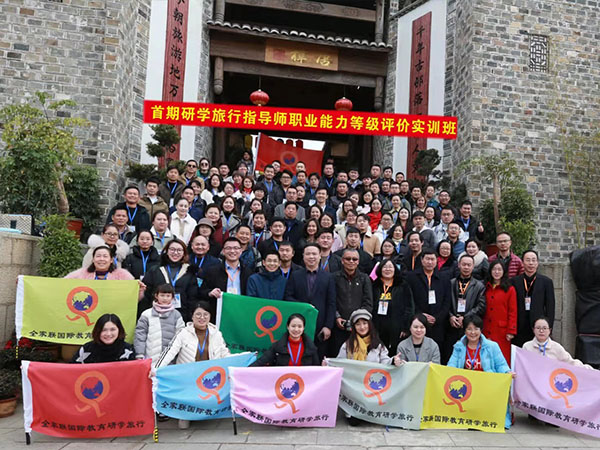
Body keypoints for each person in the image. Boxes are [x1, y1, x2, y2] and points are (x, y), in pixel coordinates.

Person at [155, 301, 231, 429]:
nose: (202, 318)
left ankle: (204, 412)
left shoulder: (216, 334)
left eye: (205, 314)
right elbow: (169, 351)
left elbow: (225, 354)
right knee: (183, 425)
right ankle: (185, 415)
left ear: (210, 316)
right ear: (192, 316)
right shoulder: (183, 333)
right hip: (188, 378)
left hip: (208, 377)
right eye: (198, 314)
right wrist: (156, 369)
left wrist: (242, 358)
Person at [447, 314, 513, 429]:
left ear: (481, 330)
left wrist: (507, 372)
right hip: (466, 387)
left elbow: (501, 365)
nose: (473, 332)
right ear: (464, 331)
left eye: (476, 329)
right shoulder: (458, 347)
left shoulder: (492, 346)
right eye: (469, 329)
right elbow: (451, 365)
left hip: (486, 386)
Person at [284, 244, 336, 358]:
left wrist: (328, 326)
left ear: (320, 256)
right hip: (299, 326)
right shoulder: (295, 275)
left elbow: (331, 303)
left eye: (314, 254)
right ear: (303, 256)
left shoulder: (328, 277)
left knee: (318, 357)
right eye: (308, 254)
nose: (311, 257)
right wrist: (304, 306)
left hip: (320, 326)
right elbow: (288, 297)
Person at [139, 239, 198, 321]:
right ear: (167, 251)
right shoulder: (155, 270)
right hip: (156, 314)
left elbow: (192, 298)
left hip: (181, 316)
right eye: (172, 249)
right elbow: (147, 294)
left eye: (179, 250)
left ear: (184, 253)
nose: (175, 253)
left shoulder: (189, 272)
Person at [405, 249, 452, 350]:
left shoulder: (444, 278)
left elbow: (447, 301)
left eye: (432, 259)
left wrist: (437, 318)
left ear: (436, 261)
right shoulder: (411, 277)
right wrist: (419, 315)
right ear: (422, 260)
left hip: (438, 323)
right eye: (427, 259)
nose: (430, 262)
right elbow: (408, 299)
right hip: (417, 322)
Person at [445, 254, 487, 363]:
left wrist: (466, 318)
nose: (466, 267)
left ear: (473, 266)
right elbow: (444, 302)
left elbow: (481, 306)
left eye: (469, 265)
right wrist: (450, 316)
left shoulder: (479, 286)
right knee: (450, 355)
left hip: (469, 325)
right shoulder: (451, 283)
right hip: (451, 325)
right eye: (464, 264)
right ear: (459, 265)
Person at [331, 249, 373, 355]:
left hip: (359, 327)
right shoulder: (334, 277)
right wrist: (337, 317)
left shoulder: (364, 278)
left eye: (354, 259)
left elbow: (368, 302)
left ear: (358, 261)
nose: (351, 261)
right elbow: (331, 300)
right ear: (342, 260)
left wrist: (359, 320)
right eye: (348, 259)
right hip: (339, 326)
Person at [512, 250, 555, 347]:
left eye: (533, 260)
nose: (531, 263)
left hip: (538, 326)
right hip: (519, 326)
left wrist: (549, 327)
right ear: (522, 262)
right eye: (528, 260)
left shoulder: (546, 282)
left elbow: (550, 307)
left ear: (537, 263)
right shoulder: (514, 281)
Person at [199, 237, 254, 312]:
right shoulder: (212, 271)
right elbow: (201, 292)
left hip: (241, 311)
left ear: (241, 251)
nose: (232, 251)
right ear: (223, 251)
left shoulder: (248, 272)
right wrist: (210, 292)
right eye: (228, 248)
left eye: (236, 248)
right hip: (220, 311)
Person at [134, 284, 185, 364]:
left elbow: (181, 335)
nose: (165, 298)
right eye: (162, 295)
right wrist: (139, 354)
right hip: (150, 358)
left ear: (172, 297)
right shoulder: (146, 314)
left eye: (168, 296)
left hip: (170, 360)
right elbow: (140, 335)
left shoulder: (177, 315)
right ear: (156, 296)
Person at [373, 259, 415, 355]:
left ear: (395, 269)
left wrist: (405, 327)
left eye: (390, 267)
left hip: (397, 327)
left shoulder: (402, 285)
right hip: (378, 326)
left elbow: (409, 307)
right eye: (385, 267)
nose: (387, 269)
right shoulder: (374, 285)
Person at [252, 313, 320, 367]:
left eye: (299, 326)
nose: (296, 329)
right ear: (288, 327)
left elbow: (317, 369)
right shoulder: (277, 346)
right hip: (282, 379)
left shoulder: (311, 347)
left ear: (303, 328)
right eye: (293, 326)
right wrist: (246, 371)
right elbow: (262, 361)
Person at [483, 261, 517, 365]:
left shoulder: (510, 289)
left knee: (502, 358)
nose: (496, 272)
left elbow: (513, 311)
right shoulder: (486, 287)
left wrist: (511, 330)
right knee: (486, 357)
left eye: (499, 269)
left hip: (502, 331)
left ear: (504, 272)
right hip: (486, 328)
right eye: (494, 269)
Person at [523, 317, 592, 368]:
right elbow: (522, 366)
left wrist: (589, 370)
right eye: (538, 328)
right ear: (533, 330)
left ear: (549, 330)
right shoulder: (527, 346)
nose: (541, 331)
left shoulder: (556, 347)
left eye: (544, 328)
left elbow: (570, 362)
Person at [71, 313, 135, 363]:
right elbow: (73, 370)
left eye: (112, 329)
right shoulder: (86, 349)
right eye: (104, 330)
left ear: (119, 330)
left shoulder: (128, 350)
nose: (108, 334)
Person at [68, 245, 134, 280]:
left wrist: (138, 290)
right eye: (98, 256)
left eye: (105, 256)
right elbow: (65, 284)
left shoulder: (123, 276)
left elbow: (132, 294)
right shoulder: (80, 274)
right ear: (93, 259)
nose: (101, 259)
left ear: (111, 260)